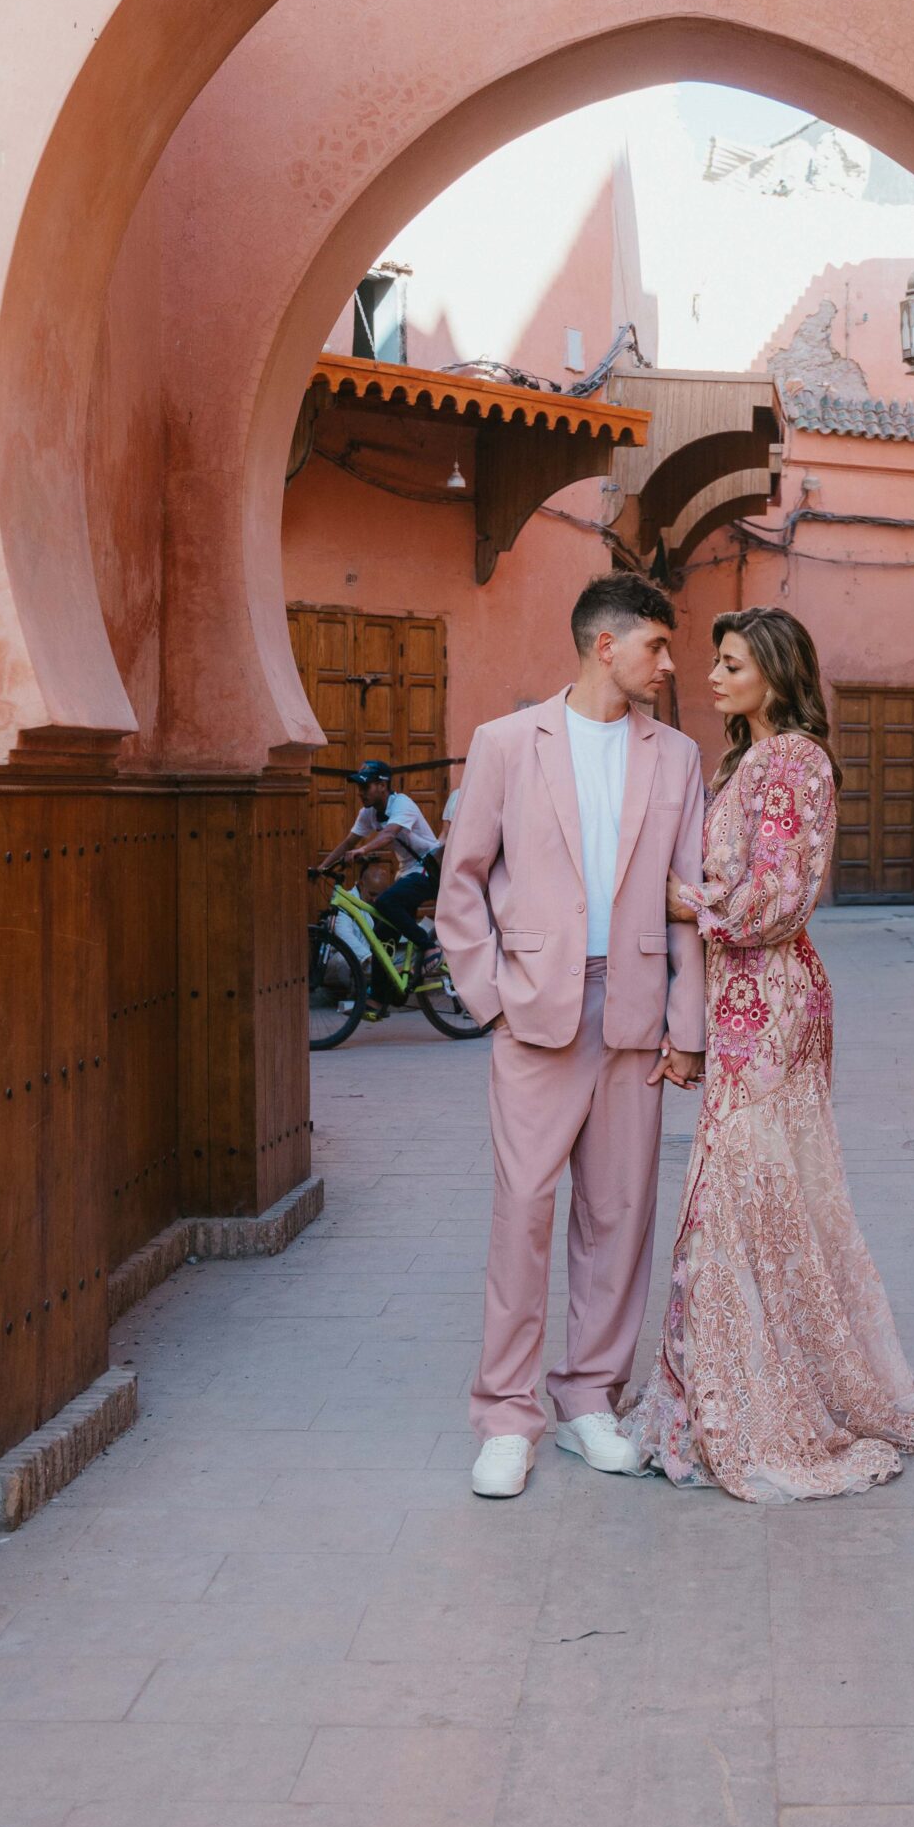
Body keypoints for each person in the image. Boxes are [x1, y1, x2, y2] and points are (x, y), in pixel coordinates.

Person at [621, 606, 914, 1500]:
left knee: (743, 1193)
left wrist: (688, 904)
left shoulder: (793, 760)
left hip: (767, 999)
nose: (713, 674)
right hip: (746, 998)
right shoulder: (750, 760)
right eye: (714, 661)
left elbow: (779, 896)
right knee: (749, 1194)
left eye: (730, 663)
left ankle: (759, 1404)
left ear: (771, 670)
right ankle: (734, 1388)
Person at [435, 574, 707, 1499]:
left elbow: (685, 907)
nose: (670, 665)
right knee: (524, 1211)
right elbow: (461, 881)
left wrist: (687, 1025)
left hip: (633, 1015)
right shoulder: (507, 744)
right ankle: (506, 1416)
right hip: (535, 1012)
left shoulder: (676, 756)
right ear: (605, 646)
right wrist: (491, 998)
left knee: (619, 1217)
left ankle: (589, 1397)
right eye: (657, 647)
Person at [316, 759, 441, 963]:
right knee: (383, 938)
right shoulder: (369, 813)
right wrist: (322, 868)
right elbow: (348, 842)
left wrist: (363, 849)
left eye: (365, 787)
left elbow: (390, 834)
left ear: (383, 786)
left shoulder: (402, 804)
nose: (360, 792)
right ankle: (383, 994)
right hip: (408, 873)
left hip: (429, 870)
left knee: (386, 901)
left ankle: (430, 948)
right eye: (359, 787)